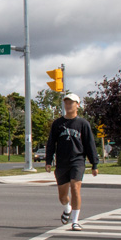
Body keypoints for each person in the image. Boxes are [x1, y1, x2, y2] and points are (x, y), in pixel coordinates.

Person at [45, 92, 99, 231]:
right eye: (66, 103)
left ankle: (75, 221)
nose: (68, 105)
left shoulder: (83, 124)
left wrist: (94, 164)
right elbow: (51, 143)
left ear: (78, 105)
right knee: (63, 197)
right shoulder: (57, 123)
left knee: (75, 188)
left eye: (71, 103)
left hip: (78, 161)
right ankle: (67, 208)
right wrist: (48, 160)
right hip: (62, 163)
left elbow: (90, 144)